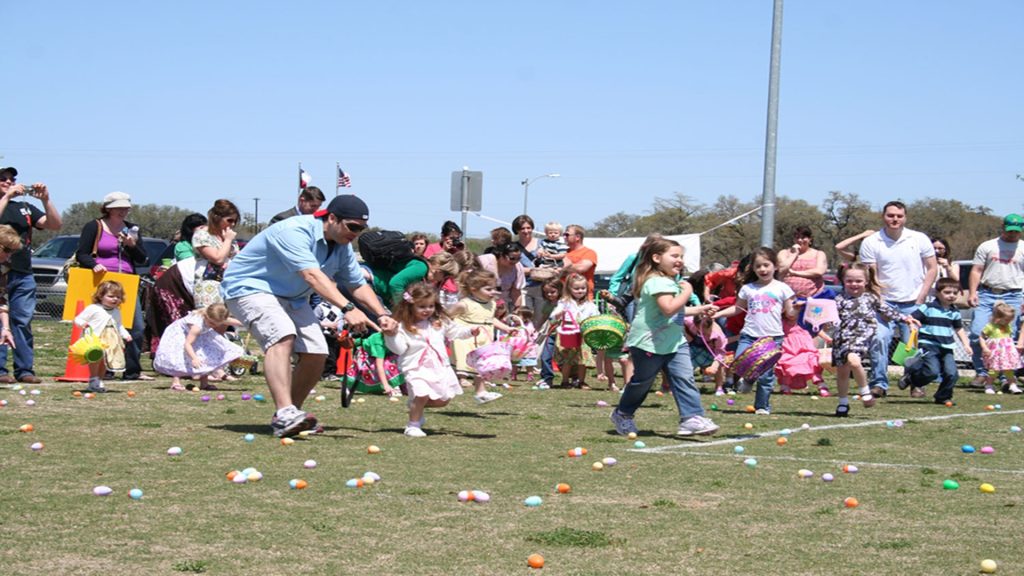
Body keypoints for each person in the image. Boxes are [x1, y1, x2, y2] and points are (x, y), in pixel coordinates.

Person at [221, 194, 395, 437]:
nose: (355, 233)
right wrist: (348, 309)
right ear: (332, 218)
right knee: (282, 335)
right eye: (352, 227)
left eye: (362, 229)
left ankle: (292, 415)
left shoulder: (342, 247)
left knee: (316, 352)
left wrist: (381, 314)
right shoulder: (293, 231)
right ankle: (285, 413)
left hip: (292, 297)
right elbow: (312, 276)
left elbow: (356, 284)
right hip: (250, 289)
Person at [609, 238, 719, 437]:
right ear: (657, 258)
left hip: (674, 341)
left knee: (685, 378)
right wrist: (688, 291)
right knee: (642, 382)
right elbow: (668, 309)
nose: (680, 260)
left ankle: (691, 418)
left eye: (682, 257)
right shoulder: (656, 281)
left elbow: (675, 310)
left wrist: (700, 309)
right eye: (674, 256)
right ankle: (622, 414)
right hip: (649, 342)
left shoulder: (669, 281)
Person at [858, 201, 937, 398]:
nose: (895, 219)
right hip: (884, 302)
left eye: (899, 216)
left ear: (905, 217)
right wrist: (879, 301)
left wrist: (921, 296)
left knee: (910, 345)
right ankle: (879, 383)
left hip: (912, 301)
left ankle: (914, 383)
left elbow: (932, 268)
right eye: (890, 215)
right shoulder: (871, 242)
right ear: (883, 216)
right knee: (879, 339)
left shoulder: (918, 239)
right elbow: (871, 275)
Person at [382, 282, 480, 437]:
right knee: (421, 394)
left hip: (439, 366)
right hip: (415, 367)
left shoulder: (438, 322)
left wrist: (470, 331)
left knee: (443, 400)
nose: (427, 310)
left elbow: (455, 332)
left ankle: (415, 406)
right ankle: (412, 425)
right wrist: (391, 335)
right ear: (410, 306)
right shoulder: (403, 326)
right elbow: (398, 349)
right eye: (422, 307)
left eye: (430, 306)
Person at [75, 192, 154, 381]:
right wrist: (93, 264)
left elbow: (143, 259)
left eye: (126, 207)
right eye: (119, 207)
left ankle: (132, 370)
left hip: (127, 281)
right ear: (108, 208)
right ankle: (105, 369)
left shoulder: (132, 229)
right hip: (102, 282)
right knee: (103, 327)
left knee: (135, 326)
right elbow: (82, 254)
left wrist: (131, 245)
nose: (123, 211)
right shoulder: (94, 226)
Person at [713, 247, 796, 415]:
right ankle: (749, 379)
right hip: (749, 335)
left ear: (775, 266)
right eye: (758, 266)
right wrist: (717, 314)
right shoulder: (747, 288)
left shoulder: (783, 288)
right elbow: (737, 309)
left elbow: (790, 314)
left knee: (766, 376)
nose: (763, 269)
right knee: (740, 362)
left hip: (773, 337)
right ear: (753, 268)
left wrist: (798, 309)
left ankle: (762, 406)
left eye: (766, 265)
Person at [0, 166, 62, 384]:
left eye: (11, 179)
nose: (8, 182)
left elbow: (55, 225)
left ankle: (24, 369)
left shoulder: (24, 207)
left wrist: (46, 200)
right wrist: (6, 197)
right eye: (3, 179)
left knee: (22, 320)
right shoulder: (5, 203)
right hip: (1, 271)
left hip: (23, 271)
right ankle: (1, 371)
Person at [830, 264, 917, 416]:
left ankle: (866, 393)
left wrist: (906, 319)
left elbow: (888, 311)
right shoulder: (838, 300)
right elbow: (828, 319)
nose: (854, 284)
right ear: (843, 281)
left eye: (858, 281)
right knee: (842, 372)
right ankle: (843, 403)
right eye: (849, 281)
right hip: (841, 339)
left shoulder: (871, 298)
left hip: (860, 338)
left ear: (866, 282)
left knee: (854, 361)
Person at [966, 214, 1024, 389]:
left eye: (1016, 231)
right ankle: (982, 373)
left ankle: (1006, 376)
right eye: (1010, 230)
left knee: (1008, 337)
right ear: (1003, 228)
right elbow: (976, 270)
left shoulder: (1022, 248)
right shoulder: (988, 246)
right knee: (977, 332)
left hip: (1013, 294)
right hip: (987, 293)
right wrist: (972, 292)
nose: (1012, 234)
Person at [900, 277, 970, 404]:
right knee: (932, 371)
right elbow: (911, 317)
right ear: (937, 293)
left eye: (955, 293)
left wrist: (966, 344)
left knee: (952, 374)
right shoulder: (928, 308)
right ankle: (912, 379)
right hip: (929, 345)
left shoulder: (954, 312)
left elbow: (958, 328)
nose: (951, 296)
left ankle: (943, 396)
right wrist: (912, 325)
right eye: (947, 292)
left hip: (947, 347)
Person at [449, 268, 513, 403]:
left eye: (494, 289)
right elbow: (447, 316)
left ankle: (480, 392)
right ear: (473, 288)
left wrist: (506, 328)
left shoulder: (492, 304)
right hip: (467, 339)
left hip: (485, 338)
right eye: (488, 289)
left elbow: (491, 319)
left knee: (482, 366)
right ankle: (460, 382)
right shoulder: (464, 304)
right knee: (467, 365)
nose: (493, 292)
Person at [154, 303, 244, 392]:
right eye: (211, 323)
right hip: (181, 335)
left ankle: (204, 384)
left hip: (201, 334)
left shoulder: (216, 317)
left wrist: (248, 324)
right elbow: (187, 344)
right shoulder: (196, 325)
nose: (213, 326)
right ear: (206, 316)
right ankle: (176, 382)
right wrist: (194, 358)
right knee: (180, 358)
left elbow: (234, 321)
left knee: (206, 355)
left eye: (216, 324)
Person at [74, 281, 132, 393]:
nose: (115, 299)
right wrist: (83, 324)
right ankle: (93, 378)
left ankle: (100, 379)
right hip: (96, 338)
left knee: (105, 360)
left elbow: (119, 324)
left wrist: (125, 334)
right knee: (96, 358)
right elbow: (78, 319)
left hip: (111, 339)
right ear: (101, 296)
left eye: (118, 297)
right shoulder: (93, 308)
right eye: (111, 296)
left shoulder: (116, 311)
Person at [546, 272, 599, 389]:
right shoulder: (565, 302)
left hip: (583, 334)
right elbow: (553, 316)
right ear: (569, 289)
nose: (580, 291)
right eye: (576, 288)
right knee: (567, 359)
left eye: (583, 288)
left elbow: (595, 317)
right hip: (568, 333)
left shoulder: (590, 304)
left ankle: (581, 381)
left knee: (582, 359)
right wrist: (559, 314)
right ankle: (565, 380)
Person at [192, 199, 240, 307]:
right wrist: (227, 240)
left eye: (235, 221)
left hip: (229, 286)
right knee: (211, 320)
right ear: (217, 218)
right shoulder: (202, 235)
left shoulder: (230, 237)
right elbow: (217, 259)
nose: (232, 224)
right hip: (209, 287)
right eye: (229, 220)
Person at [975, 301, 1023, 394]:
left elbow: (1007, 338)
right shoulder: (990, 327)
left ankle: (1013, 386)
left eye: (1010, 320)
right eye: (1006, 319)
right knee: (994, 370)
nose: (1008, 322)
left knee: (1009, 370)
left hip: (1006, 353)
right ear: (998, 317)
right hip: (995, 353)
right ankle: (989, 385)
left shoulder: (1007, 326)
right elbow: (981, 337)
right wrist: (985, 348)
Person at [777, 226, 827, 299]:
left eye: (803, 237)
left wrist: (794, 273)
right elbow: (781, 269)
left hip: (813, 298)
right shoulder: (784, 253)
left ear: (810, 239)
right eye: (797, 237)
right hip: (787, 299)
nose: (800, 240)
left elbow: (819, 271)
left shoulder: (819, 254)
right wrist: (794, 254)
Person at [477, 242, 526, 308]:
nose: (515, 261)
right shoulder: (485, 261)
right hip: (480, 301)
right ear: (501, 255)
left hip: (502, 304)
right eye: (512, 258)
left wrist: (517, 309)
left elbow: (516, 292)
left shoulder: (518, 267)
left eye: (518, 258)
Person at [0, 225, 25, 354]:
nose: (9, 255)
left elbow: (1, 300)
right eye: (7, 250)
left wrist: (5, 328)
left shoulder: (3, 267)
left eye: (12, 252)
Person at [563, 224, 598, 298]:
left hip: (583, 299)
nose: (564, 237)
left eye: (567, 235)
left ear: (577, 237)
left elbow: (581, 268)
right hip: (564, 298)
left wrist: (563, 267)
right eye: (564, 235)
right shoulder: (563, 253)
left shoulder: (589, 252)